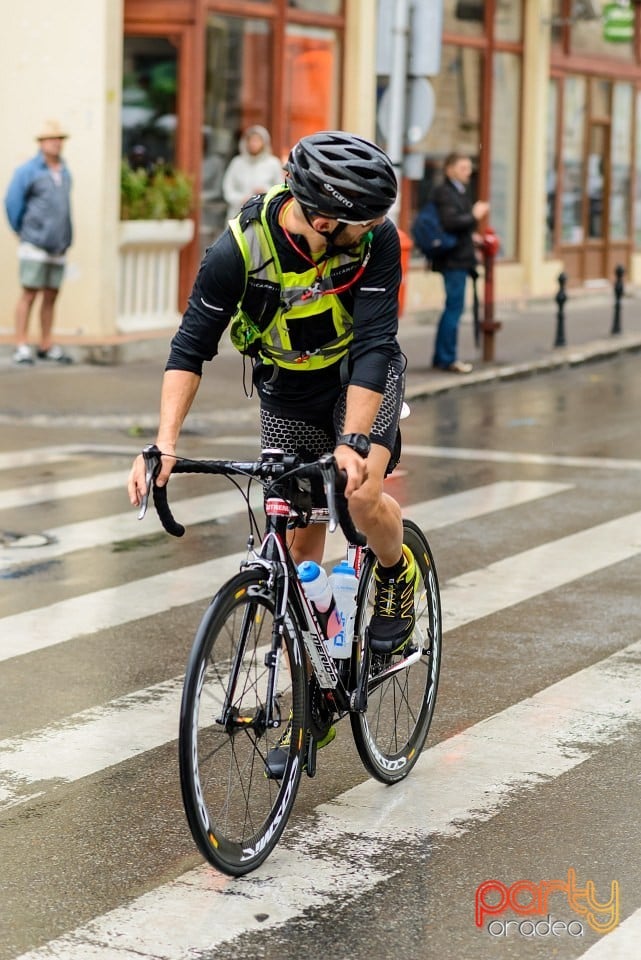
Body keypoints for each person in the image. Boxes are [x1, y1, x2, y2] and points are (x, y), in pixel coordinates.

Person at [128, 130, 418, 770]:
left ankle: (397, 575)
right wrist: (165, 444)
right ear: (322, 219)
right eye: (361, 221)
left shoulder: (374, 244)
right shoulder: (240, 248)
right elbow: (190, 347)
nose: (375, 229)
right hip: (287, 386)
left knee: (360, 492)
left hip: (358, 378)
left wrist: (353, 441)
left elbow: (375, 342)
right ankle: (315, 696)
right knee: (295, 549)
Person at [4, 119, 73, 365]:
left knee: (51, 295)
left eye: (59, 139)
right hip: (34, 243)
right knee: (29, 293)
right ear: (41, 143)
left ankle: (46, 343)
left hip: (59, 244)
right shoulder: (28, 170)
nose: (56, 143)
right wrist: (24, 232)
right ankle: (21, 344)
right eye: (51, 139)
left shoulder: (64, 171)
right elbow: (12, 204)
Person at [430, 152, 489, 374]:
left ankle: (442, 356)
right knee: (453, 309)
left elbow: (457, 225)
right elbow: (451, 222)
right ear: (450, 169)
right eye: (463, 167)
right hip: (453, 260)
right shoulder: (445, 192)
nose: (468, 171)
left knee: (453, 308)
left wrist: (472, 236)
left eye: (469, 167)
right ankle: (447, 358)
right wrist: (475, 215)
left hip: (459, 257)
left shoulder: (459, 191)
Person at [221, 125, 284, 222]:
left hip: (263, 216)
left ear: (264, 143)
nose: (254, 144)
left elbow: (280, 189)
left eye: (257, 141)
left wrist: (265, 192)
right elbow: (227, 187)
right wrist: (241, 199)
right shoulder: (237, 162)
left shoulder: (273, 163)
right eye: (251, 140)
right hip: (238, 215)